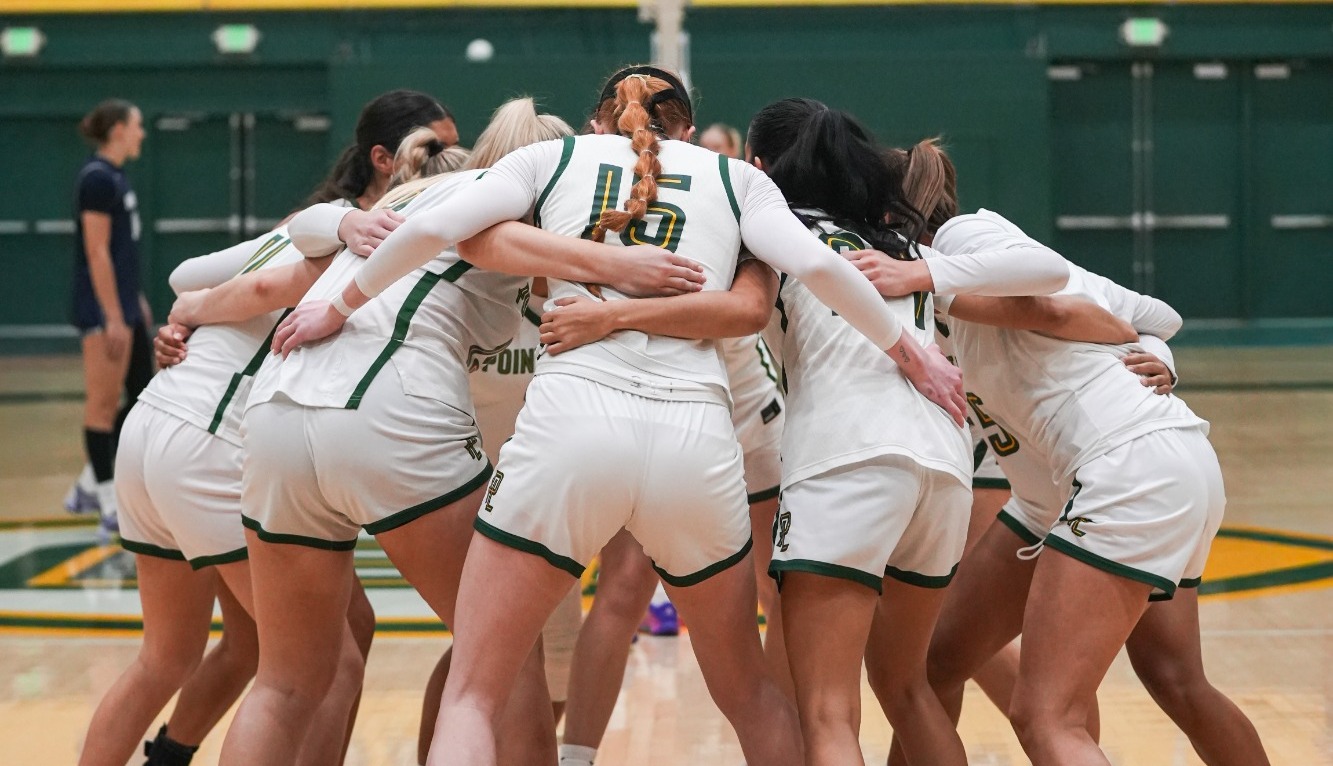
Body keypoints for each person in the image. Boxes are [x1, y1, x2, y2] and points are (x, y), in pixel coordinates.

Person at [273, 64, 965, 766]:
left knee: (473, 695)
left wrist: (339, 306)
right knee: (752, 694)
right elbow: (820, 268)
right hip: (696, 443)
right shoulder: (737, 179)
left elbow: (439, 227)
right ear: (688, 132)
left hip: (572, 425)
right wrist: (913, 354)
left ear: (597, 122)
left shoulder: (554, 157)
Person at [216, 95, 707, 766]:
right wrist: (626, 268)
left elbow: (299, 230)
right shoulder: (506, 215)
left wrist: (195, 307)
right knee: (502, 657)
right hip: (388, 407)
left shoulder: (415, 193)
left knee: (285, 682)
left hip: (277, 408)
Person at [81, 92, 459, 766]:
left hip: (154, 426)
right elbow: (253, 290)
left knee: (175, 655)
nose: (452, 163)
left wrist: (188, 311)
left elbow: (185, 277)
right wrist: (194, 312)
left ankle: (168, 755)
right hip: (208, 440)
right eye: (438, 149)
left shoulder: (313, 224)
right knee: (334, 657)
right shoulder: (359, 240)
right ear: (387, 160)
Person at [866, 142, 1269, 766]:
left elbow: (1063, 287)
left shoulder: (964, 238)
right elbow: (1155, 317)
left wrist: (1154, 358)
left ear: (890, 218)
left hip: (1127, 467)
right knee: (939, 662)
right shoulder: (932, 296)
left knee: (1046, 716)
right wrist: (1153, 351)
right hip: (1080, 489)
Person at [66, 99, 150, 535]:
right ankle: (107, 504)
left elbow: (120, 252)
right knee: (101, 406)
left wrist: (135, 299)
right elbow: (97, 252)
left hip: (124, 305)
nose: (142, 133)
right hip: (103, 310)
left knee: (143, 395)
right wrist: (114, 316)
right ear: (118, 130)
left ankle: (85, 486)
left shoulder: (115, 177)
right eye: (137, 125)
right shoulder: (96, 179)